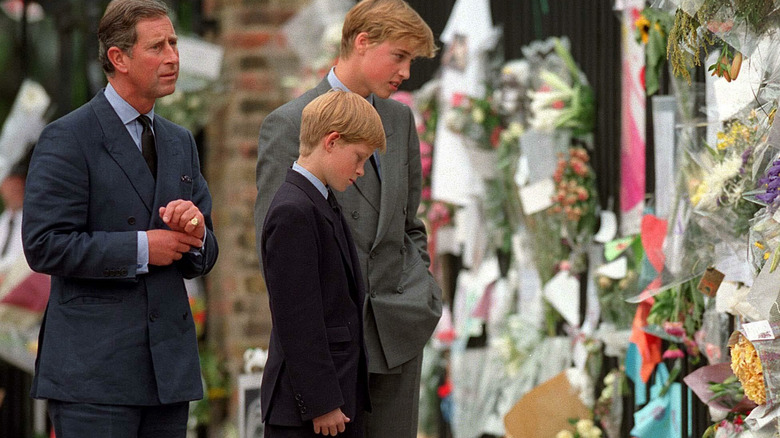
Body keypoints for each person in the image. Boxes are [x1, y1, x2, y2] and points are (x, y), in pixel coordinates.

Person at [21, 0, 218, 436]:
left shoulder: (179, 141)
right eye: (157, 46)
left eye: (174, 42)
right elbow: (44, 244)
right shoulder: (68, 138)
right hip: (94, 377)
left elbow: (204, 250)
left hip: (167, 375)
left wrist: (197, 231)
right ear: (118, 58)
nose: (173, 56)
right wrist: (145, 248)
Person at [255, 1, 441, 436]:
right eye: (399, 55)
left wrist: (420, 291)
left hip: (399, 329)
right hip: (334, 344)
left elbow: (408, 222)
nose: (406, 72)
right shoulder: (290, 123)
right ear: (361, 42)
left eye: (411, 60)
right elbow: (277, 249)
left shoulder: (399, 119)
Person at [260, 90, 385, 437]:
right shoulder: (293, 210)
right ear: (331, 141)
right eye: (358, 158)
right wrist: (322, 402)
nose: (360, 170)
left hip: (335, 399)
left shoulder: (319, 199)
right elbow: (298, 318)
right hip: (310, 412)